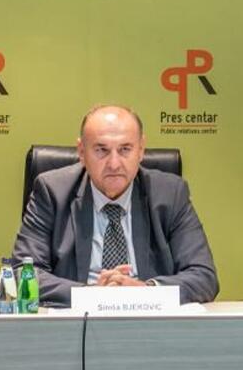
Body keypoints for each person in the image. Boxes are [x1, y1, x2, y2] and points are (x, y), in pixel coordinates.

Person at [12, 104, 218, 305]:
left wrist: (146, 291)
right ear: (82, 152)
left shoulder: (170, 194)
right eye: (101, 150)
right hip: (79, 321)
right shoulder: (52, 192)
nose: (114, 164)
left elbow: (203, 276)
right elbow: (23, 273)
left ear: (141, 150)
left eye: (125, 149)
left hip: (147, 319)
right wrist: (92, 295)